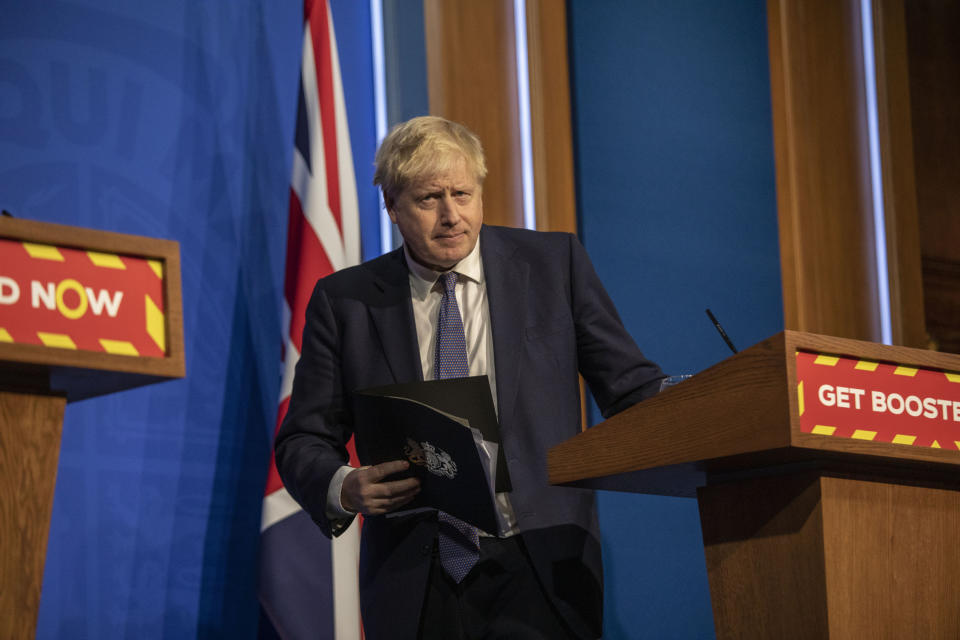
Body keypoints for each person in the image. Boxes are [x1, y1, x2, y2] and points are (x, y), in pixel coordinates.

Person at [274, 116, 665, 639]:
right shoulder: (346, 302)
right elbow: (304, 437)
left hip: (541, 564)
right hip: (417, 576)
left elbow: (632, 388)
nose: (452, 215)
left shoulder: (554, 266)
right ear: (392, 207)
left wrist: (711, 406)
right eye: (429, 198)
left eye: (463, 193)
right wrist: (345, 486)